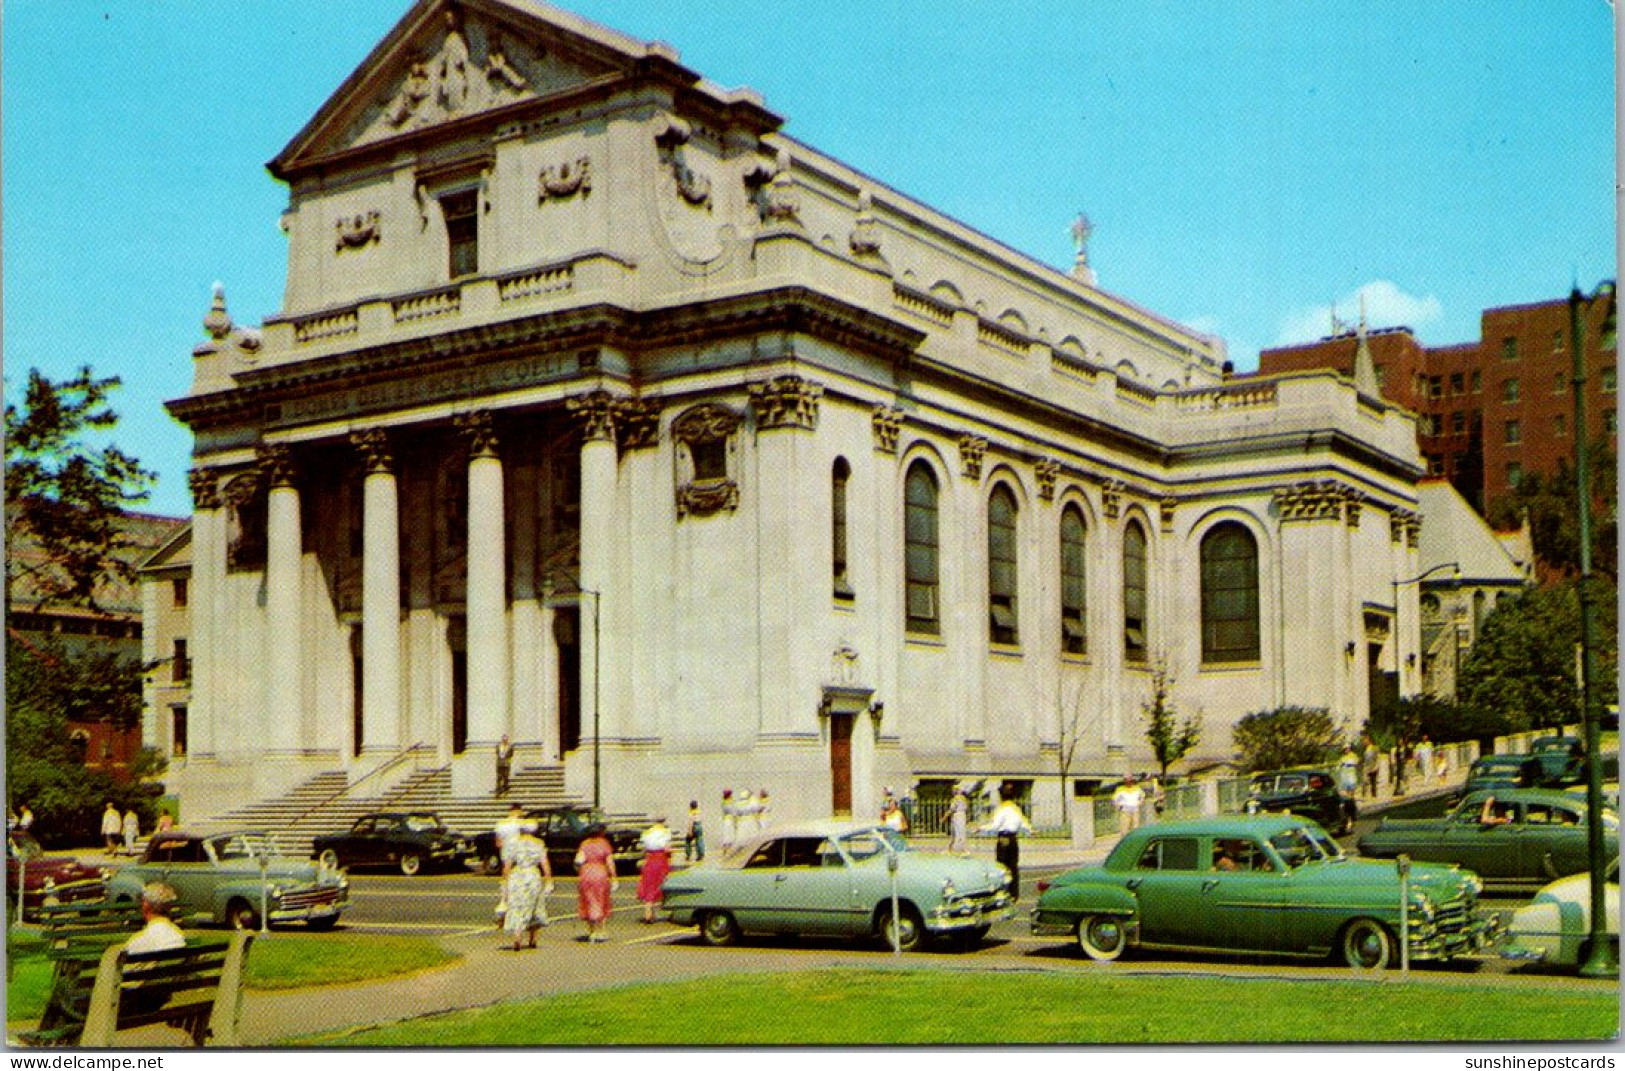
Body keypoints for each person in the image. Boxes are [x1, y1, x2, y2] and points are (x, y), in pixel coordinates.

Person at [500, 821, 554, 951]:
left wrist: (504, 881)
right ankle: (533, 938)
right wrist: (549, 880)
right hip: (532, 875)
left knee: (517, 905)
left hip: (517, 875)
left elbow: (507, 866)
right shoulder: (538, 844)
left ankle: (517, 937)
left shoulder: (513, 843)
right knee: (534, 905)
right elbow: (545, 864)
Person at [978, 783, 1033, 900]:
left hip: (1003, 839)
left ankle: (1003, 891)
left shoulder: (1001, 809)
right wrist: (1030, 831)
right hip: (1013, 839)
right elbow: (1024, 824)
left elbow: (995, 826)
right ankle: (1014, 893)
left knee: (1002, 866)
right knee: (1013, 866)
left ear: (1001, 796)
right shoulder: (1016, 808)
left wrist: (981, 828)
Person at [575, 823, 617, 943]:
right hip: (600, 872)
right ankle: (601, 931)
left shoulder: (584, 844)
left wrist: (580, 871)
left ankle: (592, 931)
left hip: (586, 872)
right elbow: (609, 862)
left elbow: (578, 861)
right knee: (602, 900)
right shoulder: (604, 844)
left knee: (588, 900)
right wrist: (613, 876)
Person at [636, 818, 673, 923]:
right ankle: (668, 911)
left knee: (649, 886)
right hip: (661, 860)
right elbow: (667, 849)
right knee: (663, 885)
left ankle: (648, 913)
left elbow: (643, 849)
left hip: (650, 860)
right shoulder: (665, 833)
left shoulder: (647, 833)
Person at [947, 785, 970, 855]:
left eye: (954, 790)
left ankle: (962, 850)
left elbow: (951, 809)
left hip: (958, 816)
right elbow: (967, 808)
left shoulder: (956, 799)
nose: (952, 791)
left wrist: (944, 817)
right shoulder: (964, 798)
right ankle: (950, 849)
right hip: (961, 815)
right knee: (957, 833)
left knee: (959, 833)